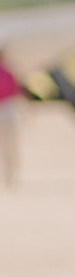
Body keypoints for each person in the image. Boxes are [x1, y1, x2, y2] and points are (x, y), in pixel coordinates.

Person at [0, 41, 22, 190]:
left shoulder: (8, 71)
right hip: (7, 109)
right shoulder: (8, 71)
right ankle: (10, 176)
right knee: (10, 146)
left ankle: (9, 177)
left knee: (7, 145)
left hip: (7, 108)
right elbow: (16, 91)